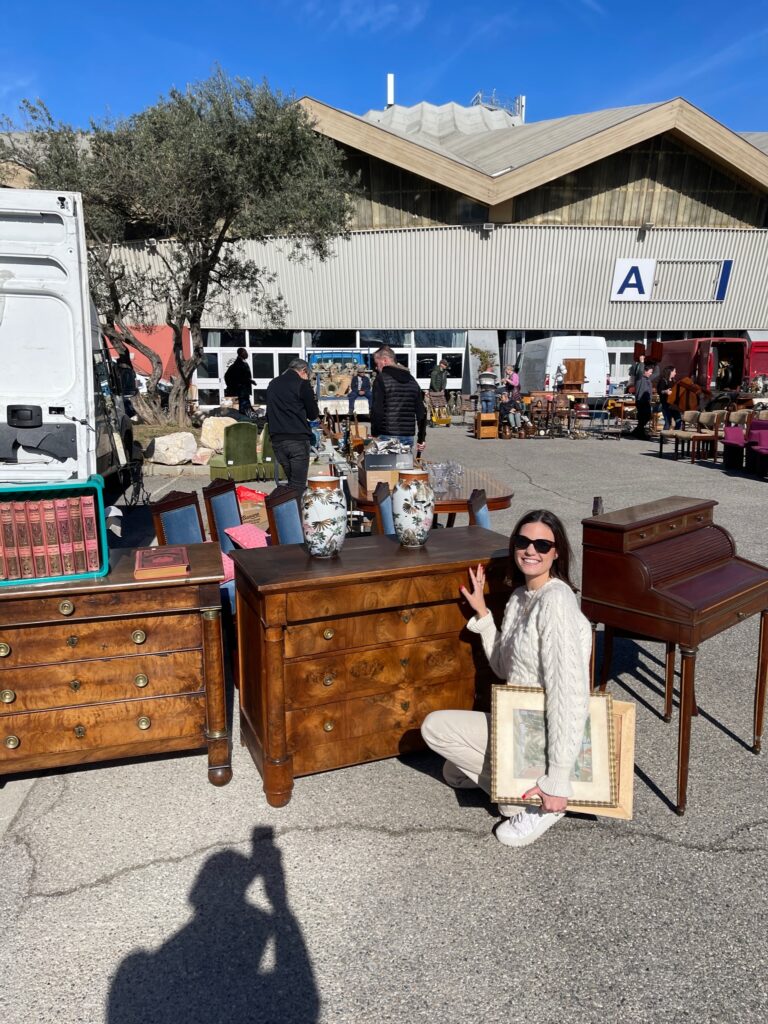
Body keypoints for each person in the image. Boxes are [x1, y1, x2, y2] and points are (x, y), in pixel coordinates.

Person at [421, 509, 591, 848]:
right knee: (453, 772)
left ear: (557, 553)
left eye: (542, 545)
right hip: (517, 721)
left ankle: (544, 802)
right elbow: (503, 667)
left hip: (542, 731)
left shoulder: (556, 603)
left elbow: (569, 694)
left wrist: (557, 780)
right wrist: (484, 615)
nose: (531, 551)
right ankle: (513, 785)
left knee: (433, 727)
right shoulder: (518, 598)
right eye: (523, 542)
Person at [266, 358, 320, 490]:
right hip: (297, 439)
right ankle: (296, 509)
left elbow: (269, 412)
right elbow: (313, 414)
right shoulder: (302, 384)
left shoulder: (273, 383)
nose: (307, 377)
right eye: (308, 375)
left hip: (277, 440)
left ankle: (290, 506)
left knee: (292, 482)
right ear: (303, 371)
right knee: (298, 486)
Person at [371, 345, 427, 452]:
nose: (376, 367)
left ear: (385, 360)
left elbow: (377, 410)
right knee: (403, 467)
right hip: (407, 436)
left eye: (376, 363)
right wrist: (421, 438)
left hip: (386, 435)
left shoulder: (381, 379)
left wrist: (375, 434)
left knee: (386, 468)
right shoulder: (412, 380)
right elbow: (422, 412)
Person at [224, 348, 254, 416]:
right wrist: (236, 385)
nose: (246, 354)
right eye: (244, 352)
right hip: (241, 390)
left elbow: (244, 377)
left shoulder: (243, 363)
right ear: (240, 354)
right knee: (244, 407)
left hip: (244, 389)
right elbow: (231, 377)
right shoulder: (238, 365)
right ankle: (245, 418)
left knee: (246, 406)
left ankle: (247, 416)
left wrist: (250, 381)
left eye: (246, 352)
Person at [630, 362, 655, 439]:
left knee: (646, 417)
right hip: (641, 401)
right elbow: (640, 370)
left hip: (646, 401)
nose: (651, 373)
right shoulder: (639, 378)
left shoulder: (648, 379)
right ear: (645, 371)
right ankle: (640, 434)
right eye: (650, 372)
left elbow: (657, 374)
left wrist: (656, 363)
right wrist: (641, 362)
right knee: (642, 417)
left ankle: (636, 431)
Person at [659, 365, 682, 430]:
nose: (675, 373)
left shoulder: (674, 381)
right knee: (668, 422)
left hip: (674, 405)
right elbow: (660, 391)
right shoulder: (663, 381)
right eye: (674, 371)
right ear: (670, 372)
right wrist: (665, 391)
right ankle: (663, 438)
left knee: (678, 421)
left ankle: (676, 436)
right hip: (666, 405)